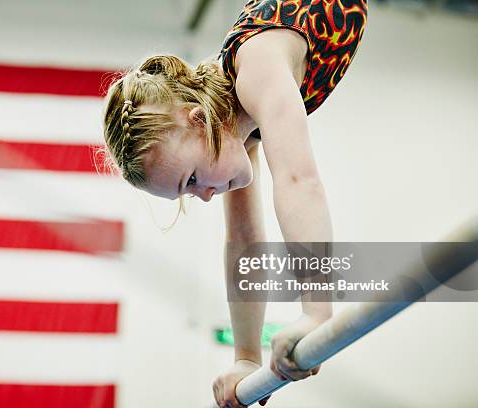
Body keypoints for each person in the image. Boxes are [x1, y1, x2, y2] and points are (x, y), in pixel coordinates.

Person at [101, 0, 368, 406]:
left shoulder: (256, 66)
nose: (205, 195)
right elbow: (244, 241)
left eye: (191, 179)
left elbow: (298, 181)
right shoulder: (236, 119)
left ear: (198, 119)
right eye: (188, 193)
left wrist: (316, 313)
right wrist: (246, 357)